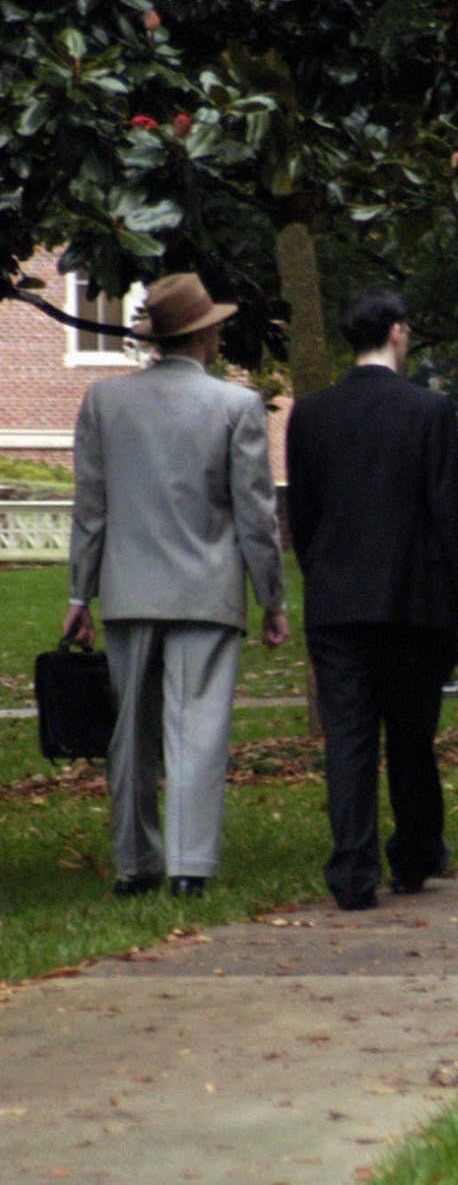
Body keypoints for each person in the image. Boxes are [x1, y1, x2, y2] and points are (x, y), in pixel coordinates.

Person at [64, 272, 291, 899]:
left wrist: (80, 593)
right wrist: (271, 598)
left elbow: (91, 508)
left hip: (128, 590)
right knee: (197, 729)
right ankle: (190, 866)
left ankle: (135, 861)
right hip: (207, 592)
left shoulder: (105, 402)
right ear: (208, 334)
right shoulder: (236, 405)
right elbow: (255, 515)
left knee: (129, 735)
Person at [285, 289, 458, 912]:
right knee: (410, 734)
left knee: (347, 738)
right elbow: (448, 507)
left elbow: (303, 510)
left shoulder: (310, 414)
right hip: (413, 599)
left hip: (338, 600)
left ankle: (351, 871)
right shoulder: (429, 409)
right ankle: (417, 853)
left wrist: (319, 571)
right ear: (398, 332)